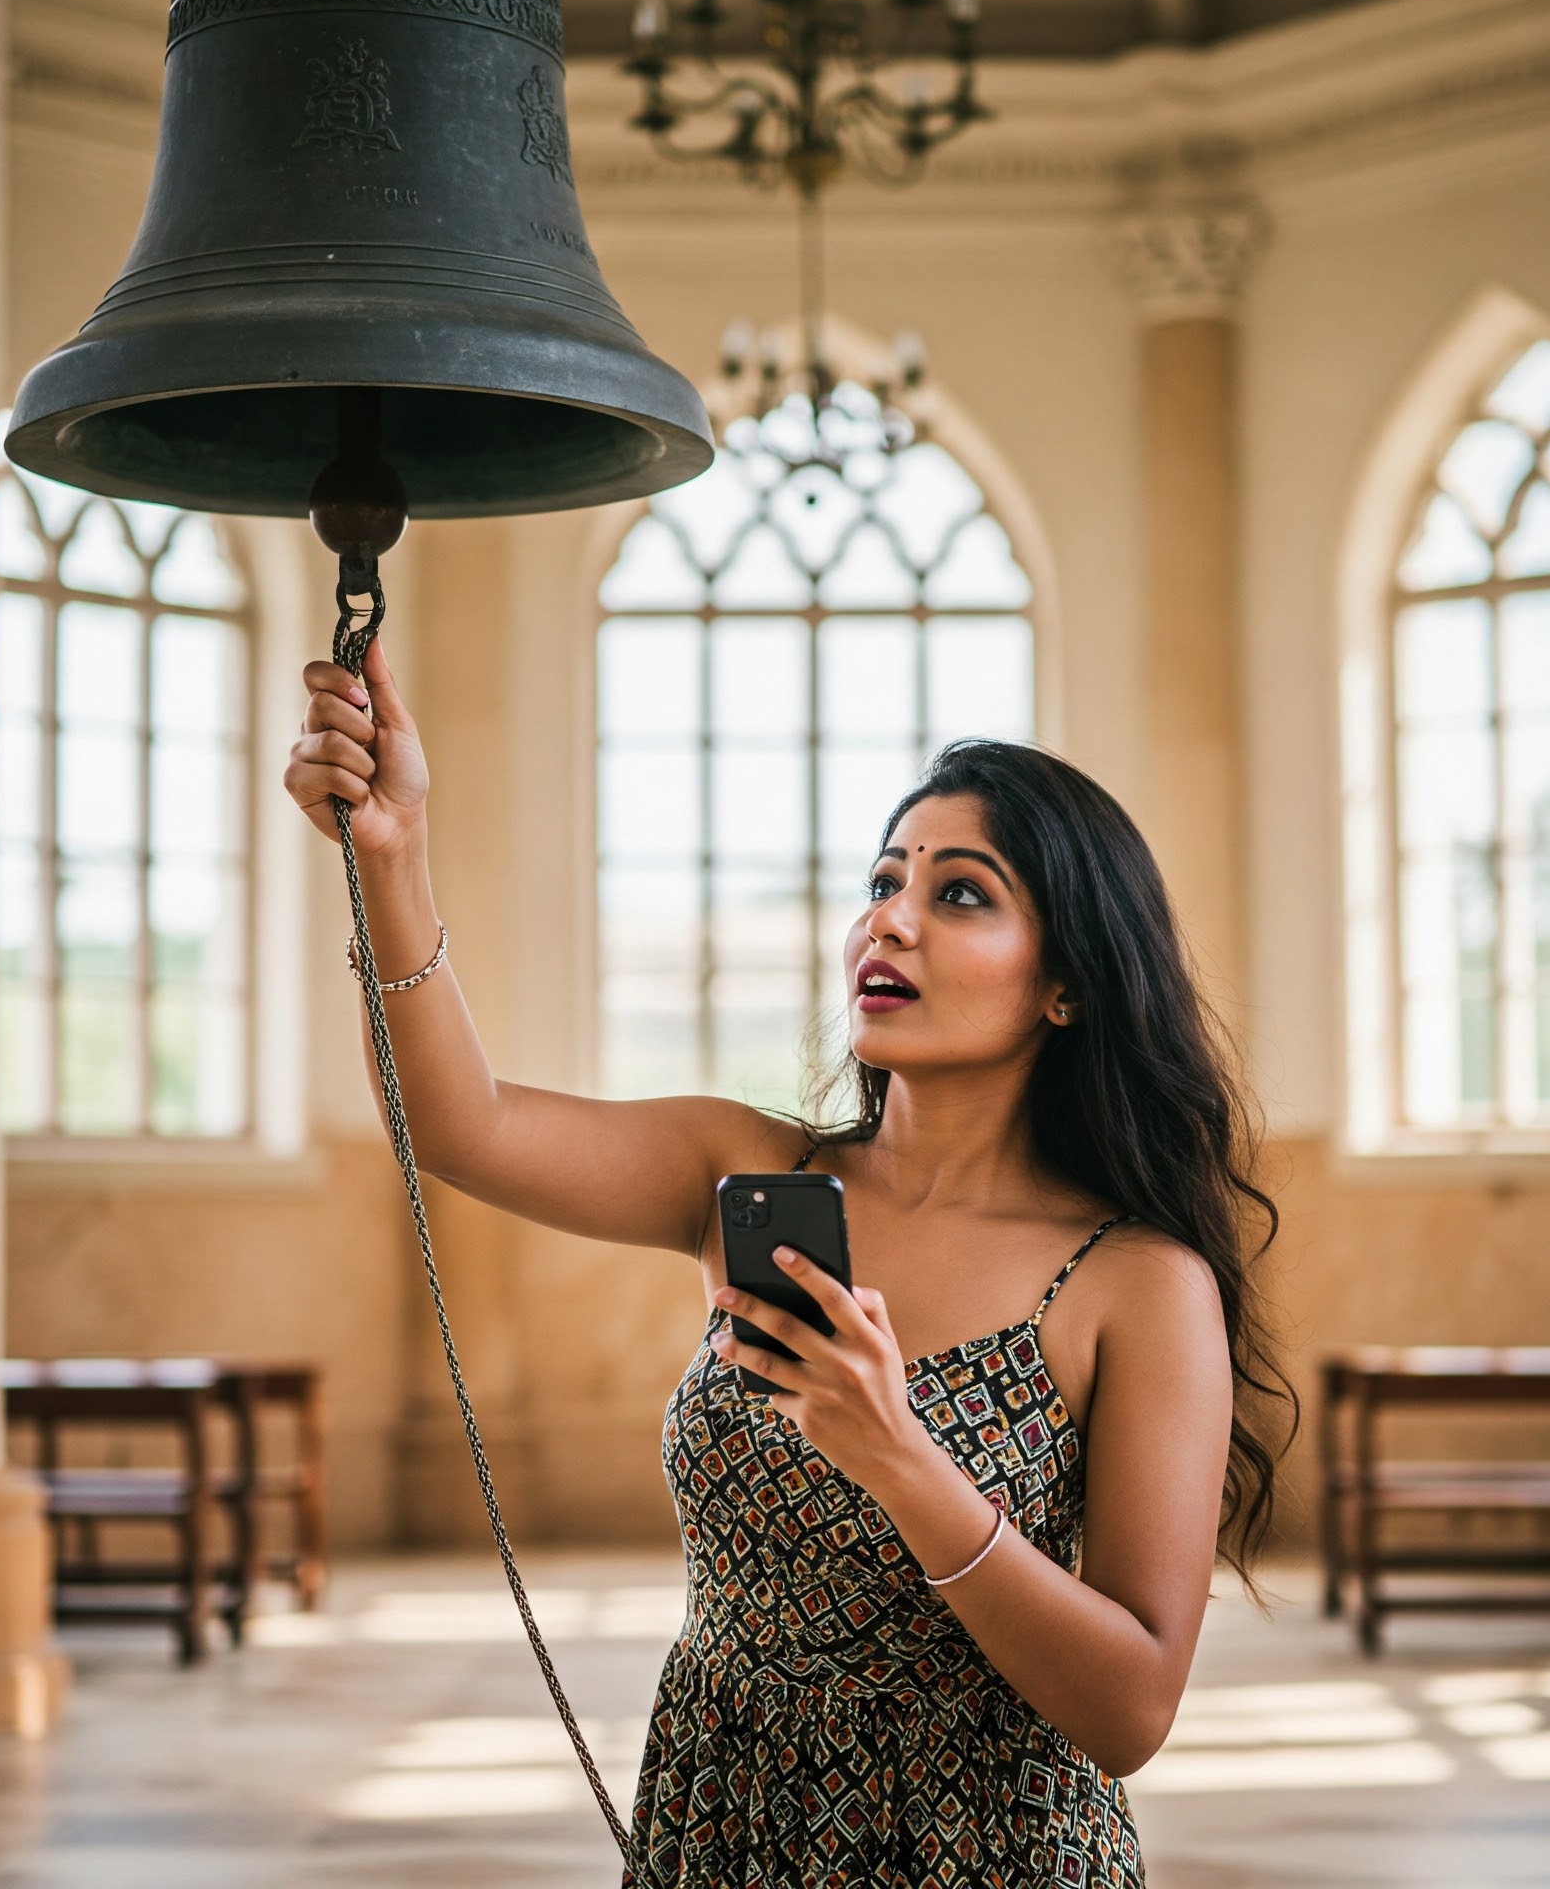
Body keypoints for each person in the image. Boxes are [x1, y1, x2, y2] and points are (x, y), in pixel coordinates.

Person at [285, 639, 1290, 1889]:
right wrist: (392, 849)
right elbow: (460, 1123)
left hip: (984, 1851)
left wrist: (895, 1452)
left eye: (960, 893)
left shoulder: (1134, 1281)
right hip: (719, 1818)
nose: (891, 917)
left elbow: (1130, 1707)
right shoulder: (752, 1171)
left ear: (1068, 984)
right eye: (883, 879)